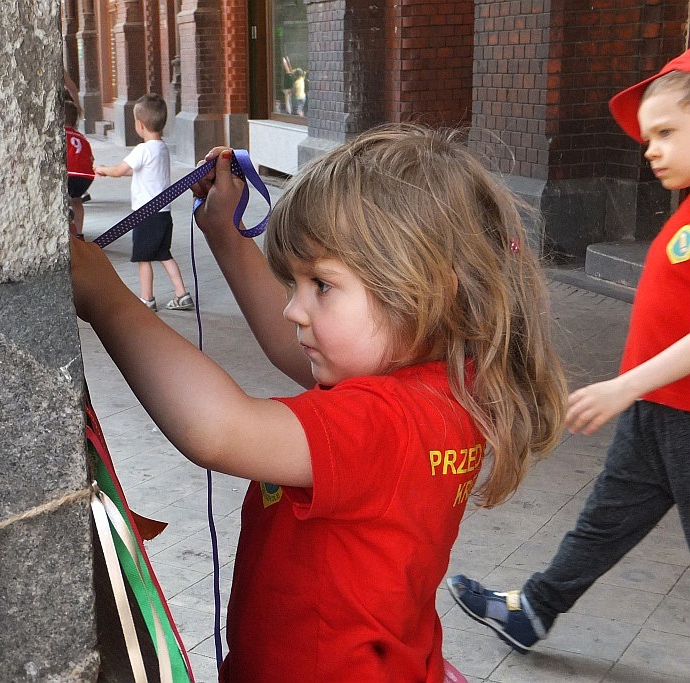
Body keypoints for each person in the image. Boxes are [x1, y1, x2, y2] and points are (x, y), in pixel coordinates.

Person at [71, 123, 568, 681]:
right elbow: (300, 351)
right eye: (296, 284)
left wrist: (106, 300)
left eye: (322, 286)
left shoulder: (385, 421)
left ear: (428, 289)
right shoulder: (441, 385)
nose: (295, 310)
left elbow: (221, 430)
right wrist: (229, 239)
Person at [447, 48, 690, 654]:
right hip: (657, 415)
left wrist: (623, 385)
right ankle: (534, 609)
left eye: (666, 132)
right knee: (604, 523)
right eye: (648, 135)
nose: (650, 148)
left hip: (677, 416)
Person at [94, 93, 193, 312]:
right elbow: (138, 172)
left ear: (140, 125)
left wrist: (103, 169)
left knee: (143, 258)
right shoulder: (162, 149)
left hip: (144, 214)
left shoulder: (142, 149)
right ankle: (181, 294)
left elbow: (120, 170)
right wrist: (115, 173)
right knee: (164, 254)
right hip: (163, 213)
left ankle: (147, 299)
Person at [65, 98, 95, 239]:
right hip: (85, 177)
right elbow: (90, 158)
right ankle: (79, 233)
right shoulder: (81, 137)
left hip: (68, 174)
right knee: (77, 201)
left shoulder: (60, 135)